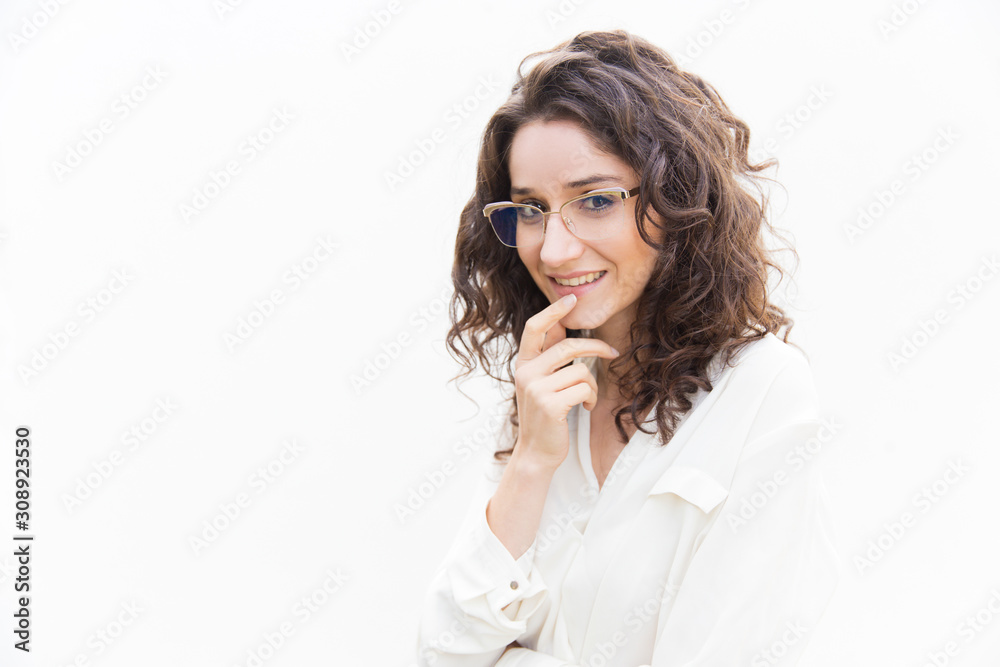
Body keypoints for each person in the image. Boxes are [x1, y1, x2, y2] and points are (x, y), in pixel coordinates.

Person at [416, 29, 840, 666]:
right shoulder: (545, 397)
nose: (554, 249)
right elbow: (443, 652)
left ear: (675, 197)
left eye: (594, 201)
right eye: (530, 211)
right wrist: (531, 459)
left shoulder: (762, 393)